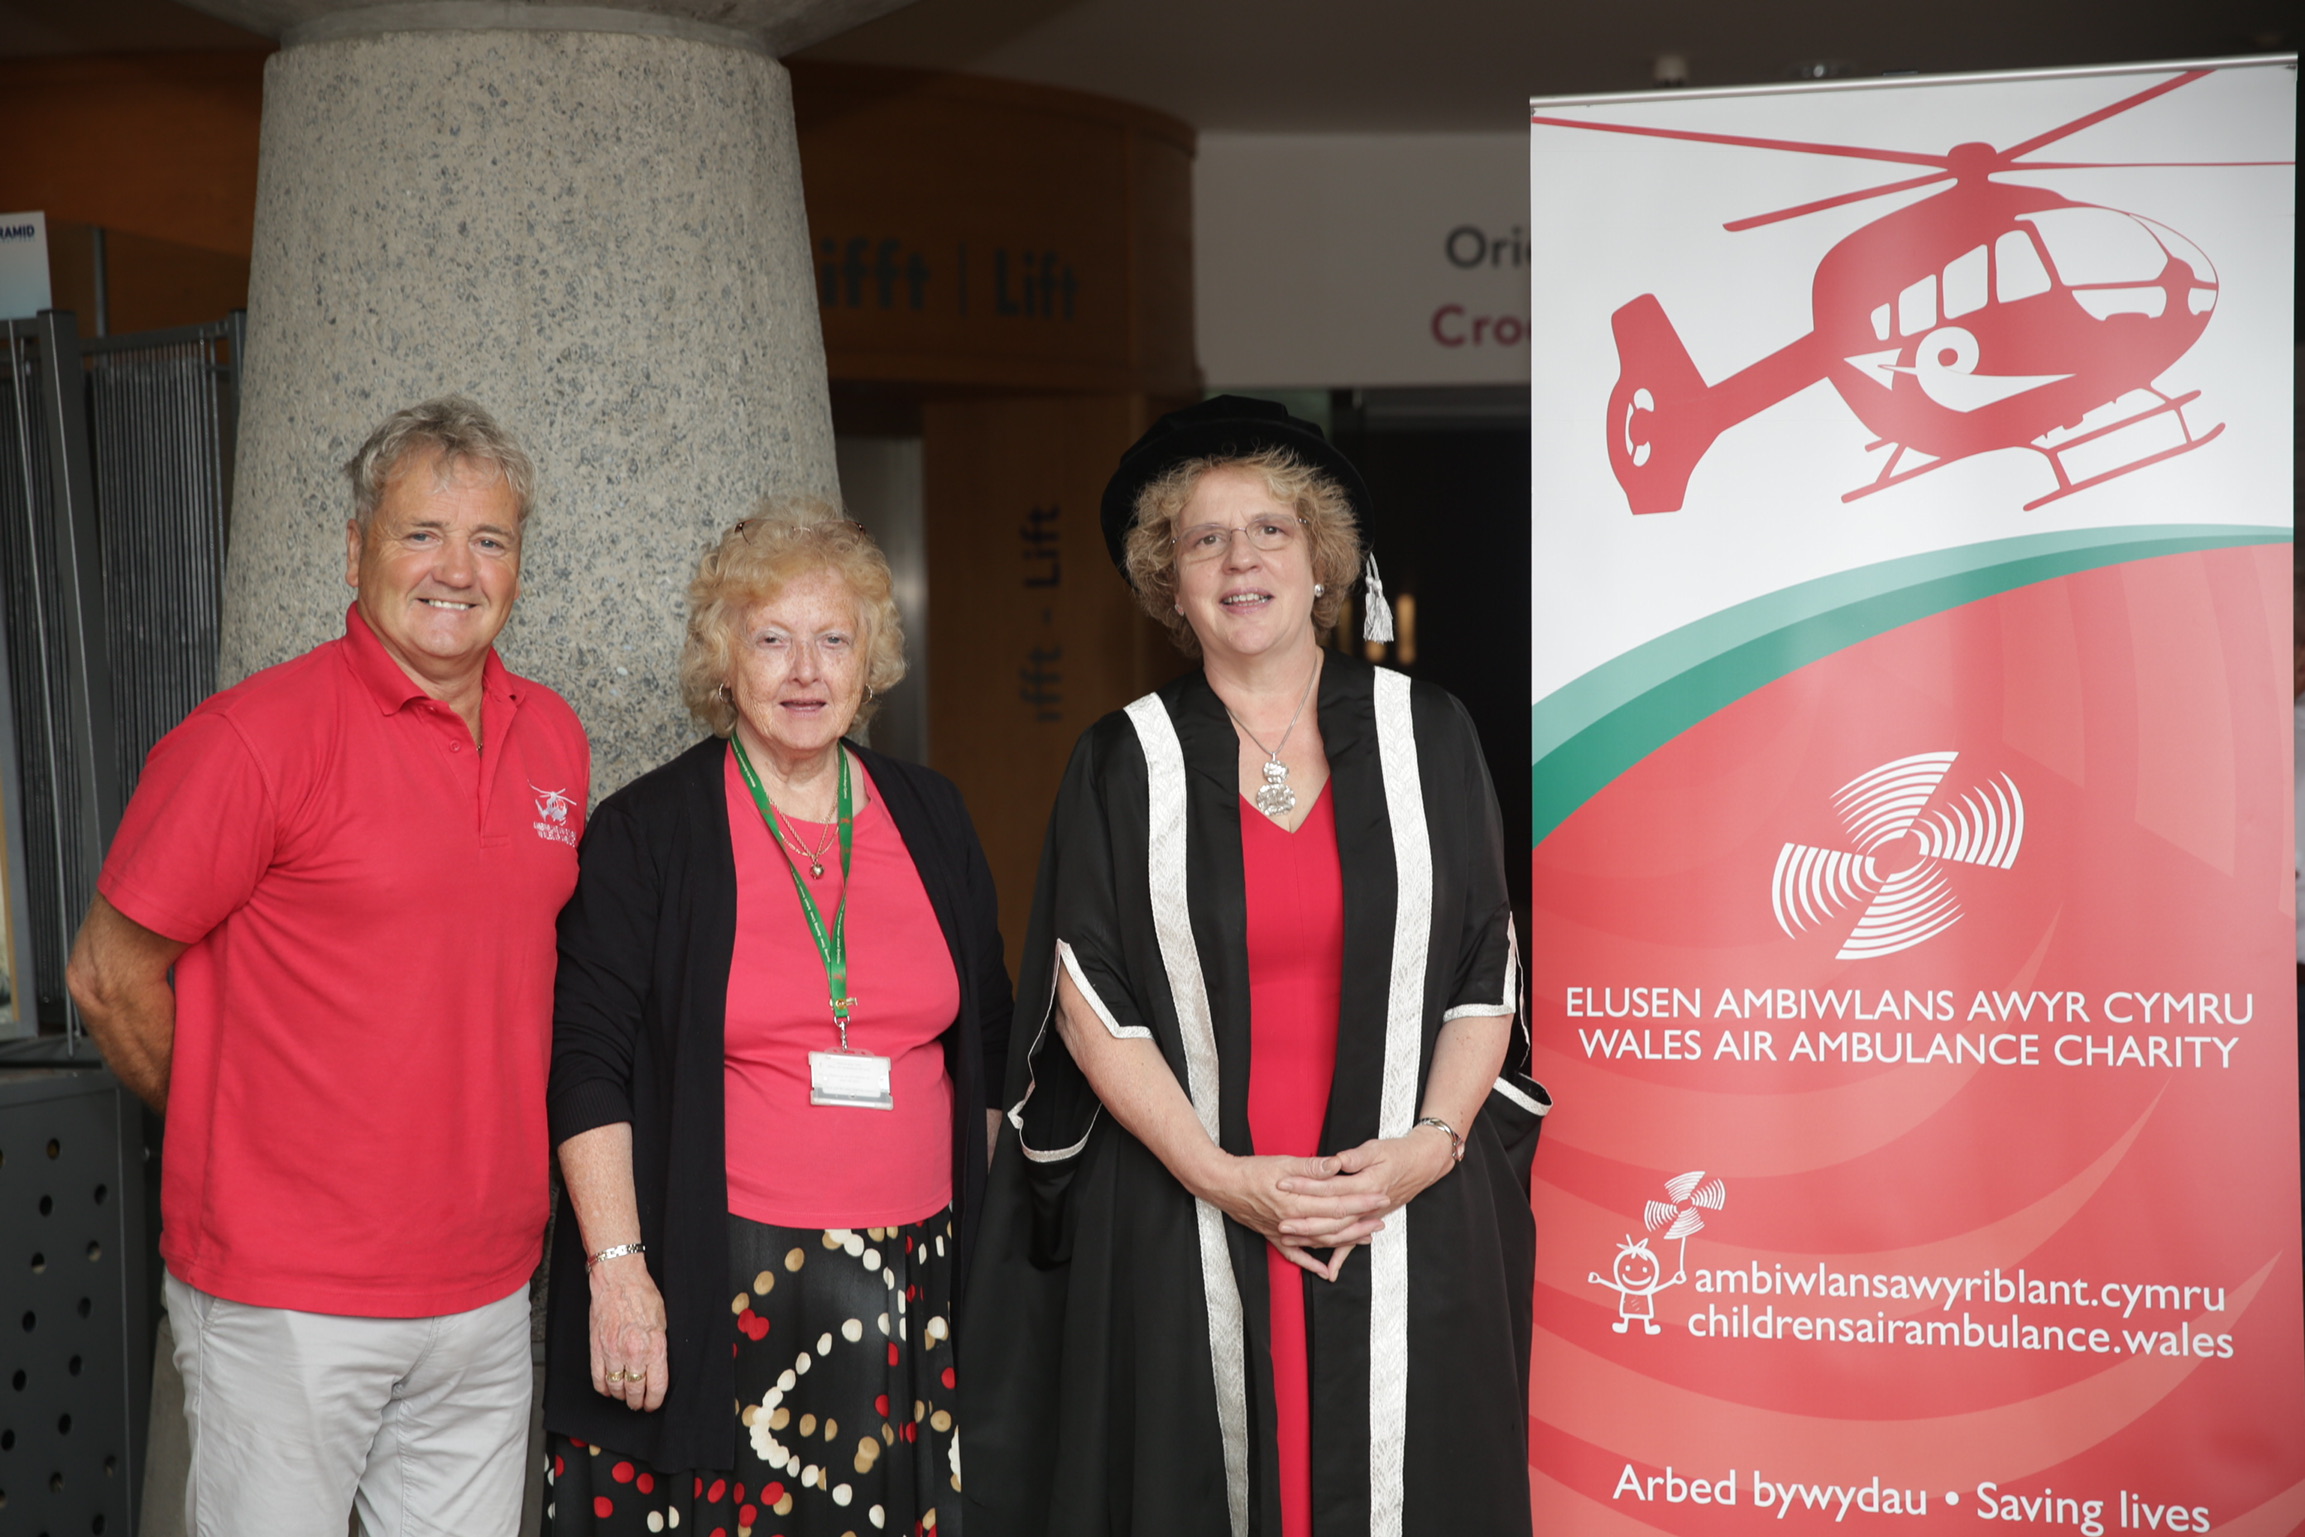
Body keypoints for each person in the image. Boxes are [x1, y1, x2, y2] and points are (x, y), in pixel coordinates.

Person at [960, 396, 1550, 1537]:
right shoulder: (1121, 762)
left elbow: (1488, 965)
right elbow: (1087, 1004)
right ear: (1168, 583)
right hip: (1194, 1206)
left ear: (1322, 560)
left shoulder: (1429, 734)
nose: (1241, 561)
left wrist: (1424, 1150)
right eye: (1204, 540)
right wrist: (1227, 1179)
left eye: (1269, 531)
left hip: (1402, 1205)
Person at [65, 397, 589, 1536]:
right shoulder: (250, 740)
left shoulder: (553, 736)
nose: (456, 569)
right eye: (420, 534)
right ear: (354, 550)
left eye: (489, 540)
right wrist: (229, 1119)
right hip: (285, 1298)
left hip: (490, 1293)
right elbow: (109, 976)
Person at [542, 501, 1012, 1537]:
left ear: (869, 661)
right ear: (725, 663)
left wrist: (993, 1272)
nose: (805, 670)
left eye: (832, 639)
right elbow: (586, 1065)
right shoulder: (648, 832)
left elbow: (986, 1047)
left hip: (914, 1284)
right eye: (772, 639)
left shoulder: (932, 814)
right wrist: (618, 1274)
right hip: (729, 1284)